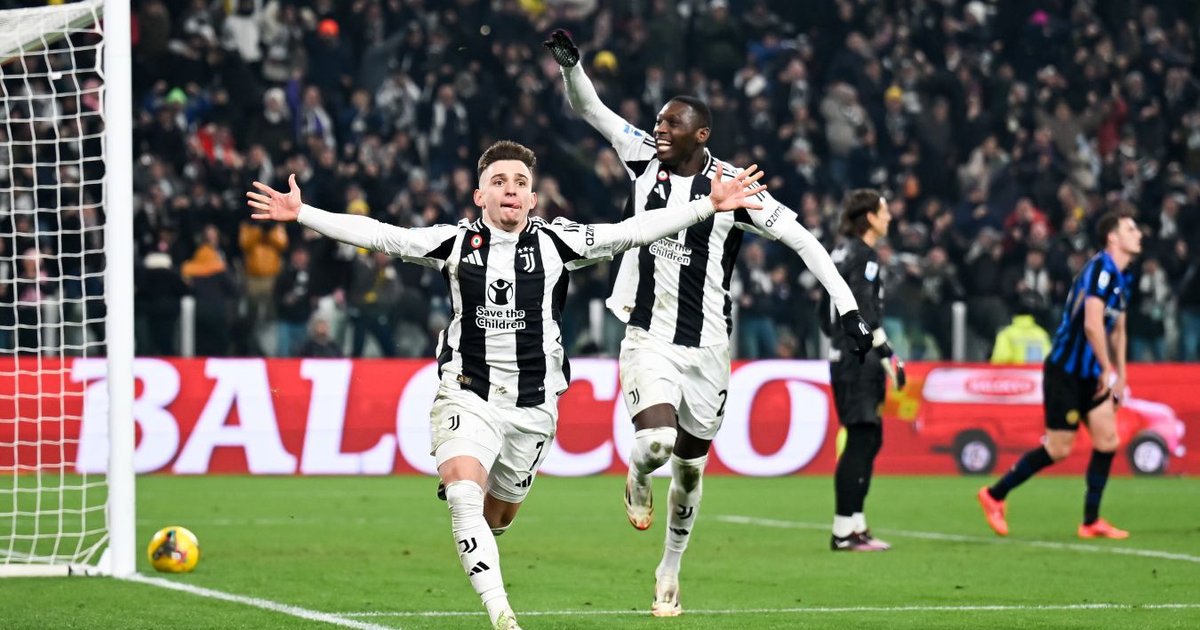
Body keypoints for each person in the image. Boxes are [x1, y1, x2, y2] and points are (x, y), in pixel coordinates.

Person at [246, 140, 767, 630]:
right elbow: (382, 235)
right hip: (467, 392)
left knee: (496, 518)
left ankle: (482, 527)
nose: (510, 189)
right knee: (463, 496)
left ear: (533, 198)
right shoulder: (454, 242)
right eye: (499, 181)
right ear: (480, 196)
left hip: (533, 409)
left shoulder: (558, 242)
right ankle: (502, 615)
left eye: (520, 182)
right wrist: (303, 213)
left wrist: (708, 205)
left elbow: (633, 231)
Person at [544, 30, 873, 616]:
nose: (659, 129)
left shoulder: (737, 188)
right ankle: (637, 473)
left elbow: (804, 241)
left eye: (672, 124)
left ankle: (669, 569)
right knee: (656, 443)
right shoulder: (643, 157)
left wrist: (847, 308)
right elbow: (591, 109)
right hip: (648, 337)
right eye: (659, 120)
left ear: (701, 135)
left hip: (709, 350)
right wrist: (572, 67)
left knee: (691, 473)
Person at [977, 209, 1141, 540]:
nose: (1138, 233)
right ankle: (995, 494)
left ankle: (1090, 521)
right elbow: (1092, 323)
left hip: (1092, 373)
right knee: (1059, 449)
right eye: (1130, 228)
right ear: (1113, 237)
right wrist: (1107, 369)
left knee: (1107, 440)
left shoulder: (1123, 277)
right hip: (1065, 372)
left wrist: (1121, 375)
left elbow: (1119, 329)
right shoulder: (1100, 269)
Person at [822, 190, 907, 552]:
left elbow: (822, 310)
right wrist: (887, 356)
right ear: (870, 218)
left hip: (843, 356)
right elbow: (865, 311)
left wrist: (837, 341)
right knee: (861, 439)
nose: (889, 217)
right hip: (859, 358)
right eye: (884, 211)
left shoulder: (838, 252)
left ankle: (856, 525)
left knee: (870, 438)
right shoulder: (864, 255)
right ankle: (844, 530)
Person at [990, 292, 1052, 365]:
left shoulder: (1006, 334)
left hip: (1014, 372)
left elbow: (1000, 360)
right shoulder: (1041, 334)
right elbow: (1049, 359)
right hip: (1037, 372)